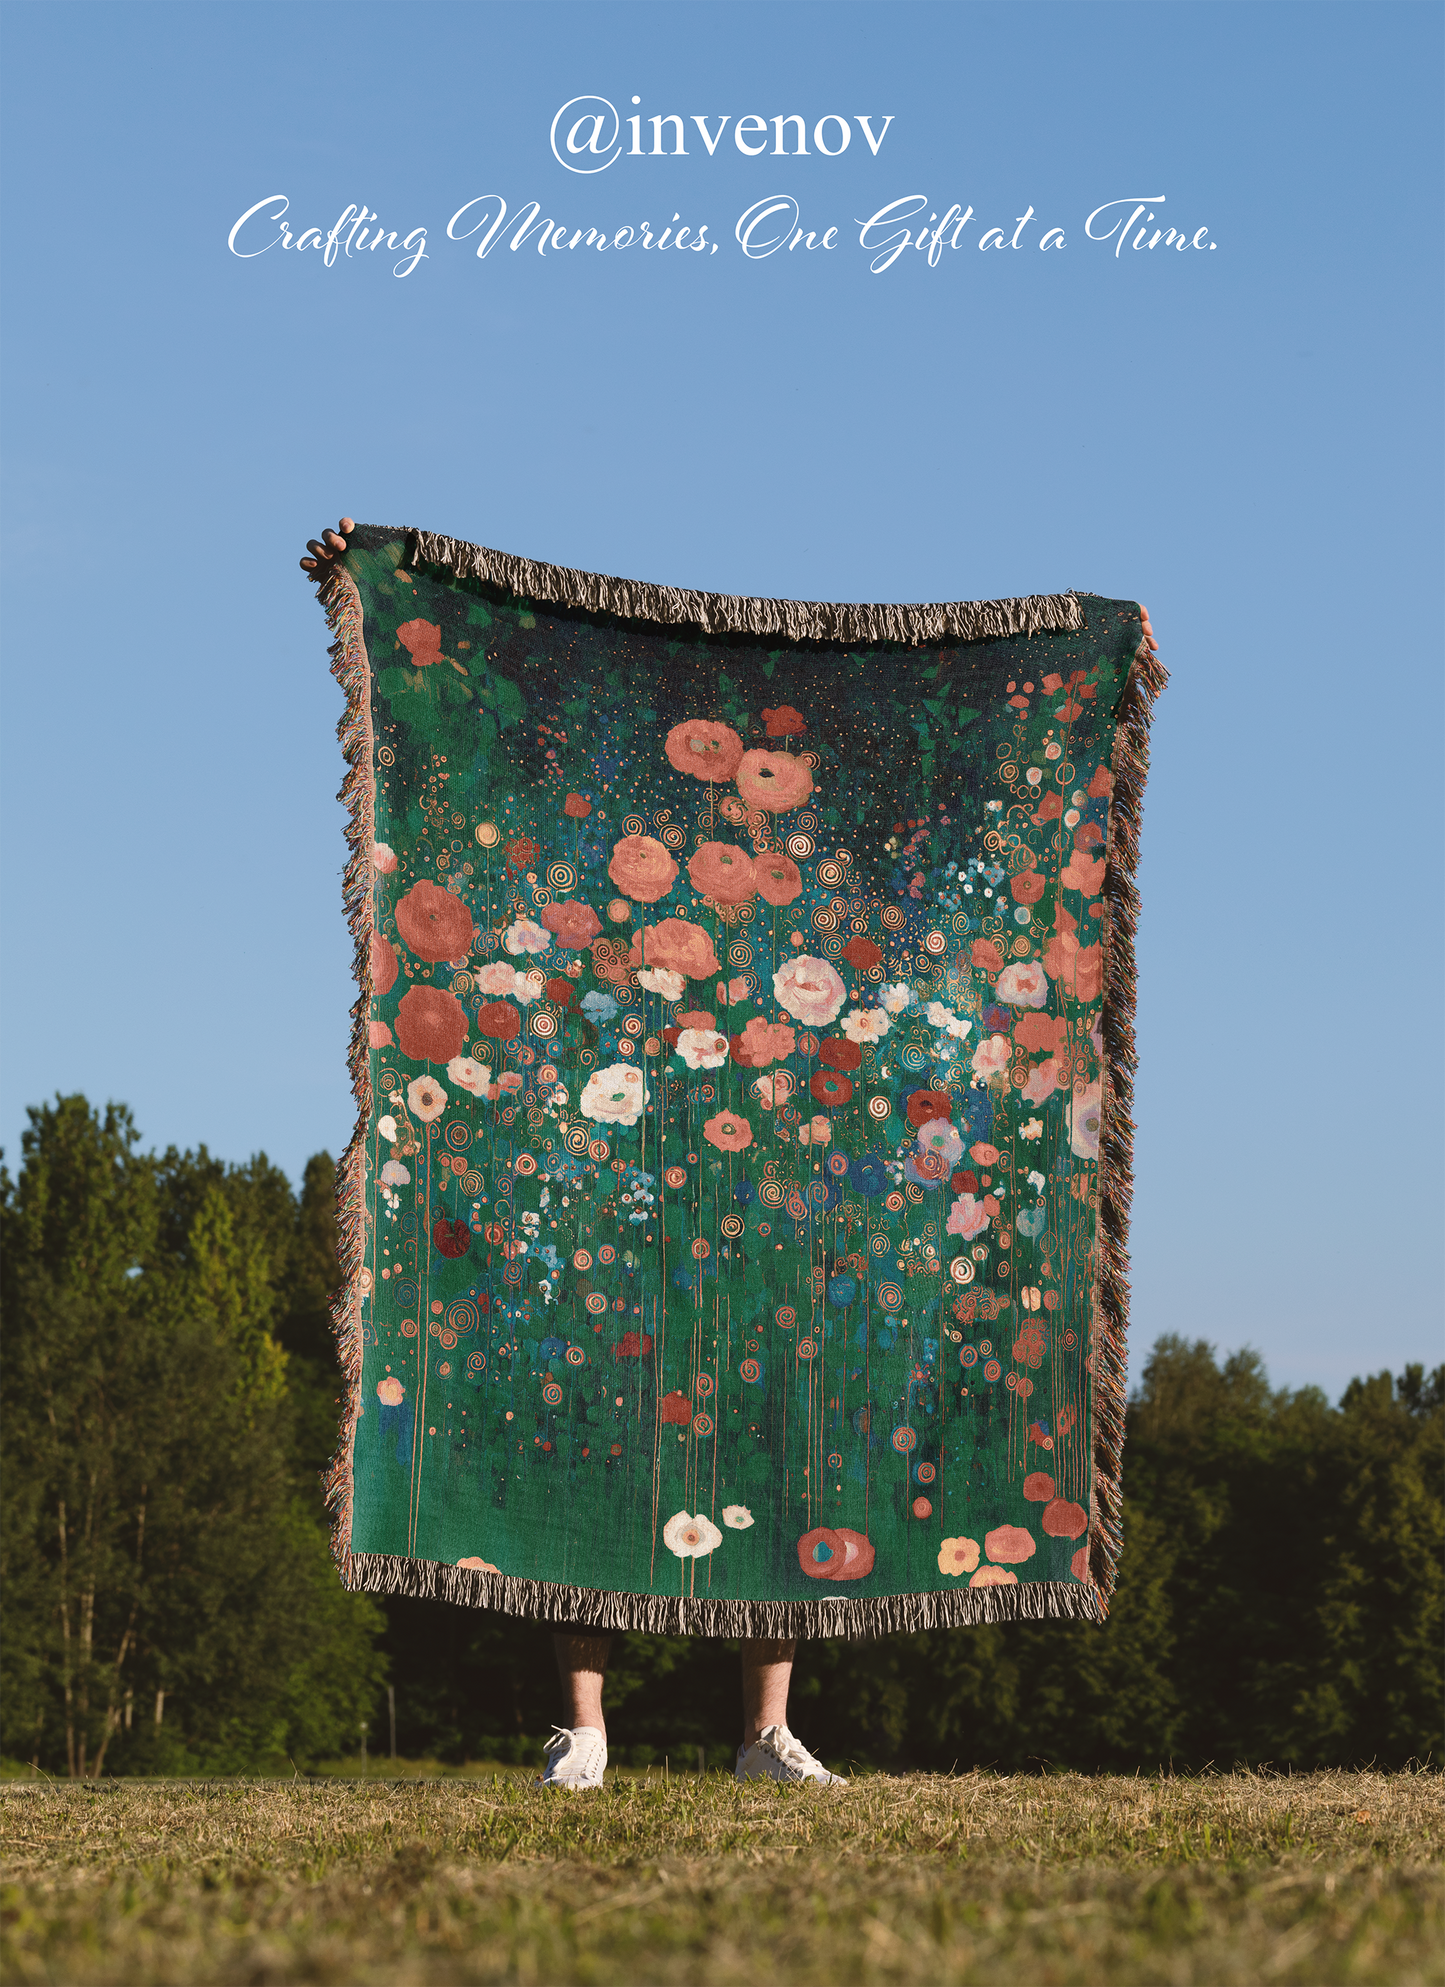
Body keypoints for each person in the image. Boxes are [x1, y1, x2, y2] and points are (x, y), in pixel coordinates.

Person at [300, 518, 1159, 1789]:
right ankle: (584, 1729)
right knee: (590, 1415)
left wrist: (1098, 654)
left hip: (767, 1174)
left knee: (773, 1427)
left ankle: (764, 1733)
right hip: (618, 1157)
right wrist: (363, 566)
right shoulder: (635, 876)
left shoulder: (778, 886)